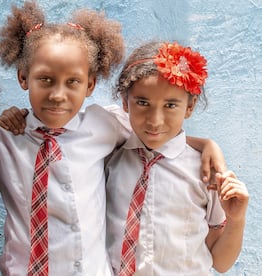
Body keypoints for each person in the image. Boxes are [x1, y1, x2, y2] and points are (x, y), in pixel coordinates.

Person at [0, 2, 225, 275]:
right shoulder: (2, 138)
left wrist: (208, 146)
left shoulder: (105, 125)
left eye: (73, 82)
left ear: (91, 86)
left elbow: (157, 132)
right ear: (24, 78)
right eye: (45, 80)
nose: (58, 94)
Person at [105, 41, 249, 275]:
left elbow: (221, 263)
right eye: (142, 103)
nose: (155, 121)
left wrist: (237, 220)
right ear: (124, 102)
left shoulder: (207, 172)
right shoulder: (109, 158)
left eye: (171, 105)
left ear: (189, 107)